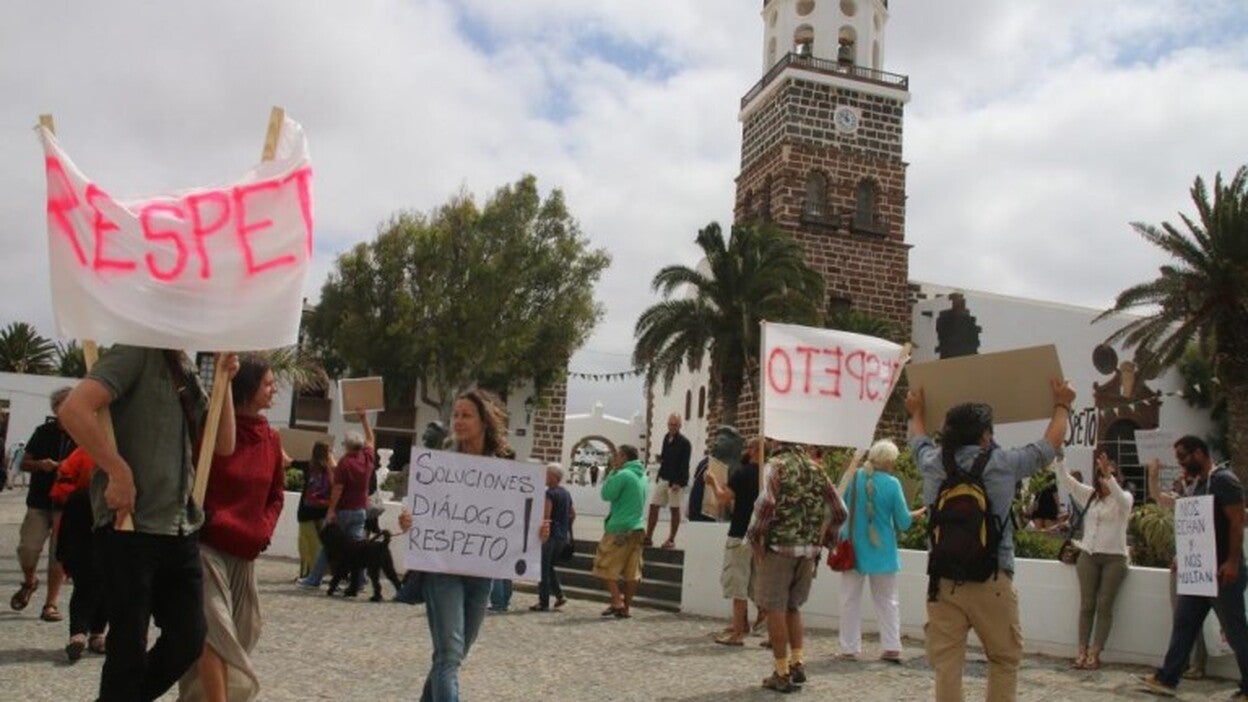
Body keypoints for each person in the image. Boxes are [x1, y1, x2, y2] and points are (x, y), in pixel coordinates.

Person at [58, 346, 239, 701]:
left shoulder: (184, 366)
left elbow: (224, 443)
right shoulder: (134, 352)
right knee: (127, 647)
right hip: (130, 526)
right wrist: (117, 470)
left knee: (188, 638)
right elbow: (73, 409)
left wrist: (226, 381)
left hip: (179, 526)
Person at [906, 378, 1074, 702]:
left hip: (943, 580)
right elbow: (1047, 446)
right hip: (992, 577)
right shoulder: (1003, 464)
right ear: (986, 434)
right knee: (1003, 659)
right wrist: (1062, 404)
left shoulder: (932, 463)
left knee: (947, 665)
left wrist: (916, 410)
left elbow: (918, 439)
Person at [177, 355, 285, 701]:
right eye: (268, 383)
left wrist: (263, 530)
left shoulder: (271, 439)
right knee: (216, 631)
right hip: (207, 546)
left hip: (246, 553)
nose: (274, 390)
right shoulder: (213, 429)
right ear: (249, 388)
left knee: (243, 632)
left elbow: (276, 495)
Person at [398, 389, 513, 702]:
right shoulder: (441, 461)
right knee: (449, 655)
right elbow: (423, 509)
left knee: (452, 655)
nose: (459, 421)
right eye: (456, 415)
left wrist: (535, 533)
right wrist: (409, 521)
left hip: (482, 573)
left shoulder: (504, 467)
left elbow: (513, 520)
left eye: (466, 415)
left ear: (483, 422)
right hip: (443, 569)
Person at [1140, 435, 1248, 698]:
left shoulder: (1223, 480)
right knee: (1184, 623)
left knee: (1234, 631)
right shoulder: (1198, 485)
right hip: (1199, 574)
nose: (1182, 463)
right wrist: (1185, 558)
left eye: (1184, 457)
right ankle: (1168, 678)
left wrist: (1232, 561)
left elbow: (1237, 522)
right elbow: (1195, 529)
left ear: (1200, 453)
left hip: (1223, 573)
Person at [747, 442, 847, 693]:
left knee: (774, 608)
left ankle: (781, 672)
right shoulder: (817, 469)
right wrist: (827, 537)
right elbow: (840, 511)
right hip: (808, 549)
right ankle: (797, 662)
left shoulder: (777, 466)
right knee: (793, 607)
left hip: (780, 546)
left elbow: (766, 503)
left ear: (777, 442)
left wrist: (754, 537)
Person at [837, 439, 925, 662]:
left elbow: (840, 507)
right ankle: (892, 646)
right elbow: (903, 522)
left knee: (849, 600)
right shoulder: (892, 483)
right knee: (887, 600)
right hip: (882, 550)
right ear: (887, 462)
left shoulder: (854, 477)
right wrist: (915, 514)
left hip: (853, 548)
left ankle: (849, 648)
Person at [1055, 450, 1132, 671]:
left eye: (1111, 475)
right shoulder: (1090, 496)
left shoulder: (1124, 498)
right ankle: (1081, 651)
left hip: (1114, 558)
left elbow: (1120, 498)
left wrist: (1110, 476)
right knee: (1087, 605)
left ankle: (1095, 653)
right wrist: (1061, 461)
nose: (1106, 479)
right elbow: (1067, 482)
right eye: (1102, 475)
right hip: (1088, 555)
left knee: (1104, 605)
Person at [11, 386, 76, 621]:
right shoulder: (43, 432)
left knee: (59, 554)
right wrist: (40, 465)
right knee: (28, 549)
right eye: (64, 406)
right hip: (39, 501)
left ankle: (50, 604)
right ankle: (30, 581)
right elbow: (24, 463)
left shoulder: (85, 433)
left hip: (67, 504)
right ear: (56, 409)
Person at [1146, 457, 1208, 679]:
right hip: (1180, 564)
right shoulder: (1181, 501)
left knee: (1195, 618)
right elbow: (1157, 496)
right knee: (1181, 617)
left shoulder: (1207, 500)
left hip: (1200, 567)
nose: (1183, 481)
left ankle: (1199, 663)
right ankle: (1180, 664)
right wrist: (1153, 475)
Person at [701, 426, 758, 646]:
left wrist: (713, 481)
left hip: (740, 534)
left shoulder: (743, 474)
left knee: (738, 586)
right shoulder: (767, 475)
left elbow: (724, 498)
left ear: (753, 450)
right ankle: (752, 629)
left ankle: (737, 633)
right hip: (758, 536)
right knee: (758, 586)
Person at [50, 445, 107, 661]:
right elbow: (66, 532)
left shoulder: (120, 499)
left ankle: (94, 634)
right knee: (88, 590)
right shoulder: (79, 498)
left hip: (107, 555)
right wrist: (64, 558)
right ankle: (80, 634)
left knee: (104, 592)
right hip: (86, 556)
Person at [318, 408, 375, 592]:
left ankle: (314, 578)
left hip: (344, 509)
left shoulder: (345, 462)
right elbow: (371, 439)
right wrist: (364, 419)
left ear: (348, 446)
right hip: (360, 509)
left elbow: (338, 488)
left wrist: (331, 509)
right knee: (359, 547)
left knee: (329, 544)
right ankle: (359, 582)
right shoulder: (367, 458)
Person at [394, 422, 449, 605]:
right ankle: (411, 591)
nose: (426, 435)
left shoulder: (449, 464)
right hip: (423, 516)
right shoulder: (421, 460)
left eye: (431, 432)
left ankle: (410, 592)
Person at [593, 444, 648, 618]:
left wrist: (611, 473)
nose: (614, 459)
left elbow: (606, 494)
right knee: (632, 572)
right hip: (637, 527)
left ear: (624, 457)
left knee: (604, 565)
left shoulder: (623, 474)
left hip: (619, 528)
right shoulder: (642, 476)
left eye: (616, 456)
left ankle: (617, 601)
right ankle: (625, 608)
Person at [644, 413, 691, 548]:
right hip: (664, 477)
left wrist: (679, 482)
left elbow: (684, 463)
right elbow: (666, 457)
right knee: (653, 506)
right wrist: (660, 460)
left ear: (680, 426)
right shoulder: (666, 438)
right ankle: (648, 536)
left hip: (676, 481)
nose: (672, 427)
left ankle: (671, 539)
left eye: (675, 425)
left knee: (674, 509)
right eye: (670, 424)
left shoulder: (684, 443)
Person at [532, 462, 574, 612]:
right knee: (549, 566)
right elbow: (572, 513)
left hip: (550, 535)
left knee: (543, 568)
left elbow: (546, 516)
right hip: (562, 535)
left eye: (547, 474)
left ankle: (543, 602)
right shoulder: (566, 493)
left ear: (554, 477)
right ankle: (560, 595)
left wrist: (543, 532)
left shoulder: (549, 493)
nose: (544, 476)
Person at [296, 442, 334, 580]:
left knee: (306, 544)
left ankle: (309, 574)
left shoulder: (308, 466)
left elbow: (287, 462)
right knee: (320, 544)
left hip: (306, 512)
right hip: (323, 511)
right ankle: (319, 572)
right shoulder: (330, 470)